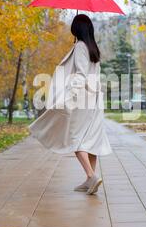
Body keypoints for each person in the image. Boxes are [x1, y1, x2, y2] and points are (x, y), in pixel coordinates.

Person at [29, 14, 112, 195]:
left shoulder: (81, 47)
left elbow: (81, 75)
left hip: (81, 98)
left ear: (77, 29)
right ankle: (90, 179)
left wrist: (70, 97)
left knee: (75, 138)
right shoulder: (93, 48)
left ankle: (91, 176)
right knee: (91, 139)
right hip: (94, 99)